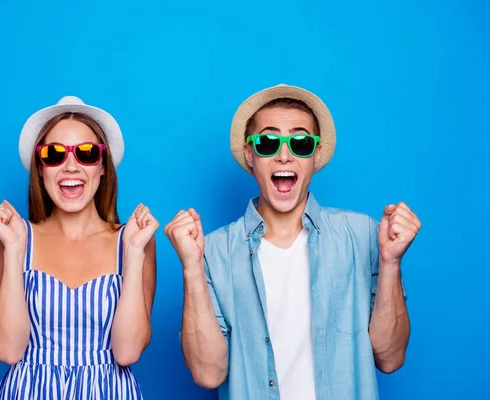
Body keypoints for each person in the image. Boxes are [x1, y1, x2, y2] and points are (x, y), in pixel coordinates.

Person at [165, 84, 421, 400]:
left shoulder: (362, 235)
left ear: (314, 155)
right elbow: (208, 373)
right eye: (268, 142)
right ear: (250, 154)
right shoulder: (213, 252)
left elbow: (391, 358)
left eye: (299, 142)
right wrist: (191, 266)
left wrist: (391, 262)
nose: (284, 154)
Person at [0, 96, 157, 399]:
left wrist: (133, 255)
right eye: (53, 154)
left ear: (103, 166)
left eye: (86, 153)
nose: (70, 167)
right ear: (40, 168)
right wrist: (14, 251)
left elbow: (128, 352)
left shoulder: (133, 239)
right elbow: (8, 350)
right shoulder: (14, 237)